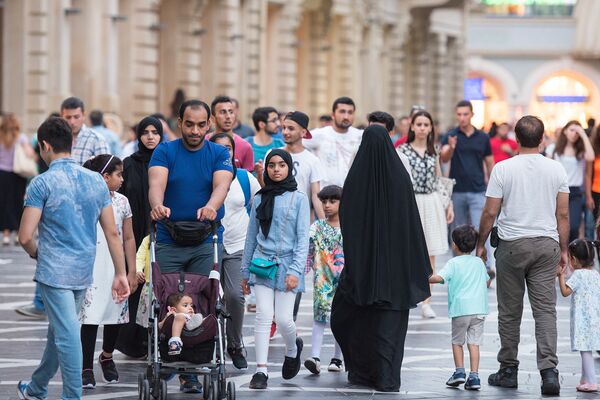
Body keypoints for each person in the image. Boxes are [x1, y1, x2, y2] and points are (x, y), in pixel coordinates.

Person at [16, 117, 129, 400]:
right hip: (82, 269)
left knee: (65, 335)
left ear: (44, 146)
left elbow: (25, 236)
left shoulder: (41, 183)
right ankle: (37, 388)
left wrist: (36, 254)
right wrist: (120, 272)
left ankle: (71, 396)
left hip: (53, 271)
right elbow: (113, 233)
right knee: (62, 332)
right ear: (72, 143)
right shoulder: (95, 181)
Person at [330, 124, 432, 392]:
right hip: (395, 271)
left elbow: (348, 223)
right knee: (389, 327)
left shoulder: (355, 181)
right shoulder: (399, 178)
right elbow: (411, 224)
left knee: (355, 319)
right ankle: (387, 377)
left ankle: (362, 373)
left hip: (363, 270)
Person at [476, 115, 569, 395]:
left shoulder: (503, 169)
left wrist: (480, 244)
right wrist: (564, 250)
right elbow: (563, 213)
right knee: (545, 312)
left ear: (516, 138)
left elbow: (490, 211)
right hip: (546, 245)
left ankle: (508, 370)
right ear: (542, 139)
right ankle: (549, 374)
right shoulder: (557, 170)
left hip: (512, 245)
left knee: (509, 311)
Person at [149, 99, 233, 393]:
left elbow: (222, 184)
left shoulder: (219, 152)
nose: (195, 130)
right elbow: (156, 182)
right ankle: (167, 356)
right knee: (168, 301)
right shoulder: (165, 150)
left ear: (209, 123)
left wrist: (211, 206)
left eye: (201, 124)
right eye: (189, 124)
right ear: (179, 122)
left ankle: (192, 370)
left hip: (204, 239)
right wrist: (158, 205)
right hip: (170, 237)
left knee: (200, 302)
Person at [240, 149, 310, 390]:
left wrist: (296, 271)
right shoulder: (259, 198)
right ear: (266, 169)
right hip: (262, 264)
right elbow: (251, 237)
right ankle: (261, 371)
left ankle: (293, 348)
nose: (277, 169)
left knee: (283, 319)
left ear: (289, 168)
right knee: (263, 316)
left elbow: (303, 239)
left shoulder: (299, 198)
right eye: (272, 165)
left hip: (289, 265)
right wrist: (244, 272)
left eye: (281, 165)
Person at [79, 155, 138, 389]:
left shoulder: (122, 202)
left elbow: (129, 237)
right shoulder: (85, 199)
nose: (122, 179)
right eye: (118, 174)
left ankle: (107, 354)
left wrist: (131, 270)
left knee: (115, 313)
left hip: (116, 265)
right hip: (91, 264)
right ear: (105, 177)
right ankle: (85, 366)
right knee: (90, 316)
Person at [210, 133, 261, 370]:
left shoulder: (244, 177)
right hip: (210, 245)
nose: (224, 152)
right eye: (218, 148)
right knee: (209, 297)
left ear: (233, 151)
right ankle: (205, 343)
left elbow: (257, 206)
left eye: (228, 148)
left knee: (235, 295)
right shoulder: (204, 177)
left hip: (238, 244)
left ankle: (235, 344)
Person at [114, 117, 163, 358]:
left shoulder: (167, 163)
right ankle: (132, 342)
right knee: (134, 285)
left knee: (159, 287)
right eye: (146, 132)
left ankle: (157, 338)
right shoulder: (128, 164)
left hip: (162, 232)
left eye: (155, 132)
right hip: (132, 234)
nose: (151, 137)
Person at [398, 110, 454, 319]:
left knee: (430, 251)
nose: (422, 128)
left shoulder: (434, 151)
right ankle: (405, 293)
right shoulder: (402, 150)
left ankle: (426, 301)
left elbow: (439, 179)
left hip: (431, 201)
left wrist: (448, 204)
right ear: (412, 126)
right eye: (418, 124)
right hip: (410, 201)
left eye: (426, 124)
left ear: (431, 128)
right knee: (407, 249)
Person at [429, 225, 489, 391]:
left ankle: (459, 372)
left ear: (454, 244)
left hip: (461, 309)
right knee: (474, 343)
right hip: (479, 310)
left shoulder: (453, 263)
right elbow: (486, 281)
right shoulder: (478, 263)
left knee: (457, 342)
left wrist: (423, 276)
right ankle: (474, 376)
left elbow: (438, 278)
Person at [303, 185, 344, 376]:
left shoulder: (350, 226)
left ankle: (338, 358)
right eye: (324, 201)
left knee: (341, 319)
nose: (327, 205)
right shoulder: (317, 227)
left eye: (332, 201)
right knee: (319, 318)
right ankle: (315, 357)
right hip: (322, 280)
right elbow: (308, 252)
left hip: (345, 282)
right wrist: (301, 272)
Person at [440, 100, 494, 231]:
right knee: (458, 232)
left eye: (465, 114)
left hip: (478, 190)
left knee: (480, 229)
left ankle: (479, 252)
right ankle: (460, 253)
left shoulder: (483, 137)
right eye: (459, 114)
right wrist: (452, 147)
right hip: (457, 190)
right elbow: (443, 159)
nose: (462, 118)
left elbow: (489, 162)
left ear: (472, 114)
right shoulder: (451, 135)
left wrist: (493, 188)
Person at [557, 239, 600, 393]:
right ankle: (584, 378)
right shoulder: (595, 274)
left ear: (574, 259)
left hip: (583, 320)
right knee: (586, 348)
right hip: (595, 319)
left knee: (585, 350)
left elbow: (565, 292)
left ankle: (592, 381)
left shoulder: (578, 275)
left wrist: (560, 276)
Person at [548, 120, 594, 242]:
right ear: (565, 131)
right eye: (572, 130)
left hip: (574, 192)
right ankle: (559, 255)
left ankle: (570, 253)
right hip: (556, 191)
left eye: (577, 131)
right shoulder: (554, 149)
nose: (574, 134)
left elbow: (591, 157)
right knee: (556, 225)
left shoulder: (581, 150)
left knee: (574, 227)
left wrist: (583, 134)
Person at [304, 97, 363, 187]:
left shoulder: (361, 136)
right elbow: (296, 146)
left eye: (350, 112)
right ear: (333, 115)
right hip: (325, 197)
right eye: (342, 111)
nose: (346, 116)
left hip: (353, 194)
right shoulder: (319, 135)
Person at [281, 111, 325, 219]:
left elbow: (315, 195)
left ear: (303, 132)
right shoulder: (273, 154)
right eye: (283, 127)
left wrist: (324, 224)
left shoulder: (312, 160)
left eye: (291, 128)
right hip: (276, 219)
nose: (285, 132)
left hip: (301, 220)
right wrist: (259, 175)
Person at [0, 113, 35, 246]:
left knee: (4, 204)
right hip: (17, 175)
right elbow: (30, 154)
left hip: (2, 174)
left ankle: (6, 235)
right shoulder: (21, 138)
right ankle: (17, 234)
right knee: (17, 202)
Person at [61, 97, 110, 165]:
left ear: (84, 115)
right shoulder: (57, 139)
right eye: (68, 117)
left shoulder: (97, 139)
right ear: (62, 117)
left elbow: (105, 170)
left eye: (76, 117)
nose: (72, 122)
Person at [211, 96, 254, 172]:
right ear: (213, 118)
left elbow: (247, 180)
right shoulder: (204, 143)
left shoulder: (245, 146)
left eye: (231, 112)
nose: (228, 116)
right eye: (223, 112)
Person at [367, 111, 413, 181]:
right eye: (371, 130)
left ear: (390, 133)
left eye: (380, 131)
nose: (374, 134)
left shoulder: (401, 159)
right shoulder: (357, 153)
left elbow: (407, 187)